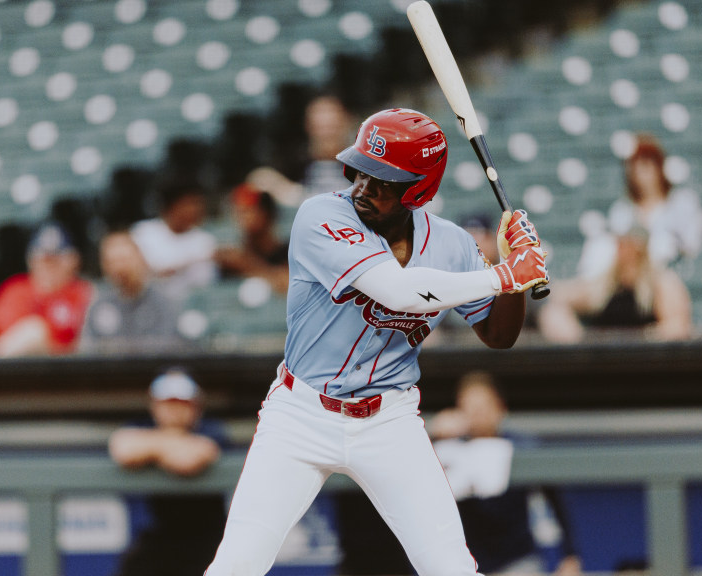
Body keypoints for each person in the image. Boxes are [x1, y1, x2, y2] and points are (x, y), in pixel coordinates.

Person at [204, 108, 549, 576]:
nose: (364, 188)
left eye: (384, 181)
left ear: (419, 189)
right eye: (362, 171)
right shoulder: (322, 214)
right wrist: (502, 275)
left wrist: (515, 276)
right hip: (302, 413)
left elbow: (498, 335)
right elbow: (396, 289)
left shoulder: (451, 244)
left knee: (451, 566)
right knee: (236, 564)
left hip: (389, 419)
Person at [429, 371, 582, 575]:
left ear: (500, 407)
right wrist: (432, 435)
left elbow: (557, 500)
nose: (477, 415)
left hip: (517, 559)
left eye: (483, 407)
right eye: (470, 408)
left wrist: (570, 555)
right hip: (466, 562)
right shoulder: (446, 448)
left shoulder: (521, 448)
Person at [108, 368, 228, 576]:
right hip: (156, 539)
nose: (175, 410)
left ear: (196, 406)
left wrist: (152, 449)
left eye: (182, 402)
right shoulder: (139, 425)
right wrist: (170, 444)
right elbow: (123, 448)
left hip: (205, 542)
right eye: (168, 403)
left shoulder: (211, 429)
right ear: (154, 405)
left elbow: (187, 460)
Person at [578, 133, 702, 278]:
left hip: (669, 272)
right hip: (632, 276)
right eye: (634, 168)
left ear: (659, 167)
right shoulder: (622, 209)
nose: (640, 175)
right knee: (599, 246)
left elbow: (691, 245)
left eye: (645, 166)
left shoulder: (682, 202)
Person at [538, 225, 692, 344]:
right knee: (551, 311)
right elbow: (562, 296)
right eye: (621, 244)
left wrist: (639, 339)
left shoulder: (661, 283)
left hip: (642, 360)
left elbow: (678, 327)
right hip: (601, 360)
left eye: (630, 244)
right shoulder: (606, 284)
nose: (624, 250)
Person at [0, 222, 92, 357]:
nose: (49, 266)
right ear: (32, 260)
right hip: (5, 366)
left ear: (73, 260)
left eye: (55, 260)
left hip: (55, 370)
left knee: (34, 332)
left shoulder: (81, 292)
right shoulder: (16, 287)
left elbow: (59, 340)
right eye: (44, 259)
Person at [80, 230, 185, 351]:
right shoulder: (100, 306)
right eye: (112, 262)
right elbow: (90, 351)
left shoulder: (164, 302)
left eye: (124, 259)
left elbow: (170, 349)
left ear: (140, 259)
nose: (120, 268)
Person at [246, 94, 354, 207]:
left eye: (333, 127)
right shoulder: (294, 162)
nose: (327, 134)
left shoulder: (361, 164)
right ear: (308, 126)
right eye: (321, 128)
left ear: (347, 124)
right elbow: (258, 178)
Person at [129, 180, 216, 303]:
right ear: (172, 205)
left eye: (199, 204)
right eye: (190, 203)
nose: (196, 209)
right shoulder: (143, 233)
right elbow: (138, 275)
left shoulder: (205, 240)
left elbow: (204, 283)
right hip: (148, 304)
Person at [214, 184, 289, 294]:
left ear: (266, 214)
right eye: (238, 211)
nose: (241, 217)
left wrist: (246, 265)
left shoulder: (288, 251)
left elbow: (287, 285)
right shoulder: (233, 256)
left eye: (248, 211)